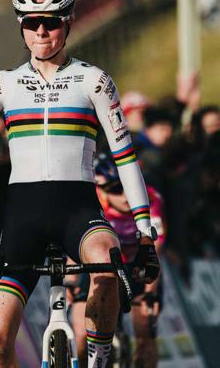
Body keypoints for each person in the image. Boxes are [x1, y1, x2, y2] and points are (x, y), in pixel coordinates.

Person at [0, 0, 160, 368]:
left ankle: (98, 358)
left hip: (79, 212)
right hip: (24, 219)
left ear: (68, 23)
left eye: (51, 22)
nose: (41, 31)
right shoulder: (3, 84)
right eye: (31, 22)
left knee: (106, 263)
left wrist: (144, 233)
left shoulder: (94, 81)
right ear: (21, 26)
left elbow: (125, 158)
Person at [69, 155, 165, 367]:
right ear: (101, 190)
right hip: (99, 268)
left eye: (128, 186)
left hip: (138, 265)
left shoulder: (150, 198)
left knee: (145, 333)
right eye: (115, 189)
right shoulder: (91, 202)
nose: (124, 195)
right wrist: (70, 281)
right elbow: (73, 242)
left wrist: (150, 294)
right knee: (81, 336)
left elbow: (155, 251)